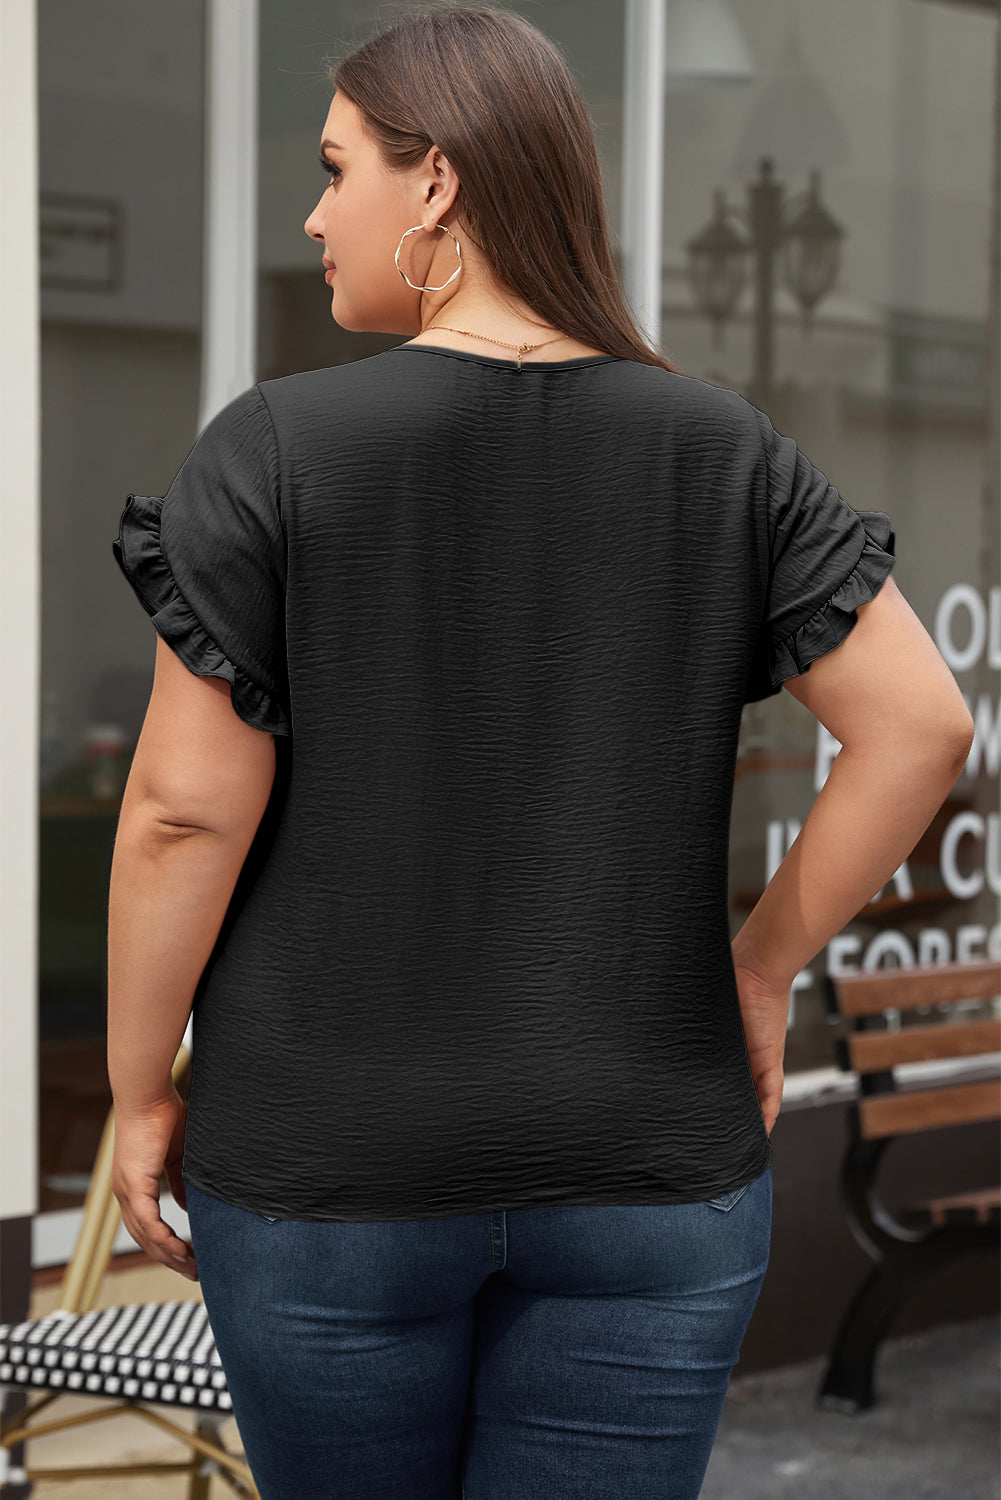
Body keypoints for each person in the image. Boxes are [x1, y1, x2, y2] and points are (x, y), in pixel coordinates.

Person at [105, 5, 975, 1498]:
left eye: (335, 170)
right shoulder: (721, 452)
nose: (314, 217)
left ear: (435, 182)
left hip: (332, 1169)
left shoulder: (276, 450)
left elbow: (184, 816)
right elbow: (920, 725)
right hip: (650, 1163)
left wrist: (139, 1090)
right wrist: (761, 967)